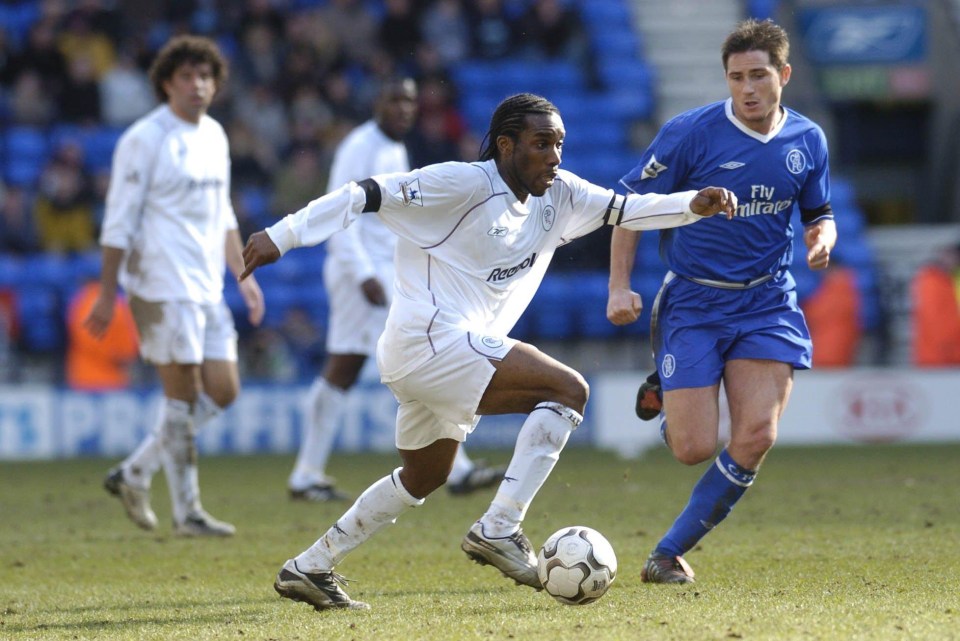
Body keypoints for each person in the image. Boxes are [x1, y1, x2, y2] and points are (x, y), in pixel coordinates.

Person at [240, 92, 737, 610]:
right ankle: (500, 527)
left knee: (425, 475)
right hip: (428, 339)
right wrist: (284, 234)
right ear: (505, 145)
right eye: (541, 144)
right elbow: (364, 193)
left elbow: (624, 208)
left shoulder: (561, 195)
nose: (554, 156)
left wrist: (689, 205)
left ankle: (311, 566)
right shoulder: (462, 183)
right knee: (568, 390)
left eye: (559, 144)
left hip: (438, 355)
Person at [606, 19, 837, 584]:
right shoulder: (690, 133)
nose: (748, 89)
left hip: (766, 302)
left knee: (756, 435)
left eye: (759, 75)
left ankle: (666, 553)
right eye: (736, 78)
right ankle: (666, 389)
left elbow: (818, 212)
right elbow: (627, 206)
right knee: (693, 447)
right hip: (694, 302)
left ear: (784, 74)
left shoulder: (807, 139)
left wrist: (821, 238)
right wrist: (619, 285)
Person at [287, 76, 506, 502]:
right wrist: (362, 273)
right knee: (362, 364)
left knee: (363, 366)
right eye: (395, 100)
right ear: (377, 103)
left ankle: (309, 473)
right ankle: (308, 473)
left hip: (387, 275)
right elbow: (340, 211)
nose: (404, 108)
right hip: (362, 276)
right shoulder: (360, 145)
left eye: (409, 101)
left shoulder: (394, 148)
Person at [84, 35, 265, 537]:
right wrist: (106, 292)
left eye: (205, 76)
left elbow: (224, 213)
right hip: (160, 285)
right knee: (182, 397)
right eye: (186, 76)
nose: (197, 85)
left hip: (206, 283)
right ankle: (188, 513)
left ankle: (135, 471)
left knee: (224, 390)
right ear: (166, 83)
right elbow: (118, 219)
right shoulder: (144, 139)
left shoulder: (216, 135)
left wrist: (241, 275)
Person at [67, 280, 139, 390]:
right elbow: (127, 350)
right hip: (113, 380)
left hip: (81, 377)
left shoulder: (78, 302)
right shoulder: (119, 306)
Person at [911, 242, 960, 366]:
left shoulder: (950, 279)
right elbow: (934, 319)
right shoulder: (931, 281)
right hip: (937, 356)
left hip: (950, 353)